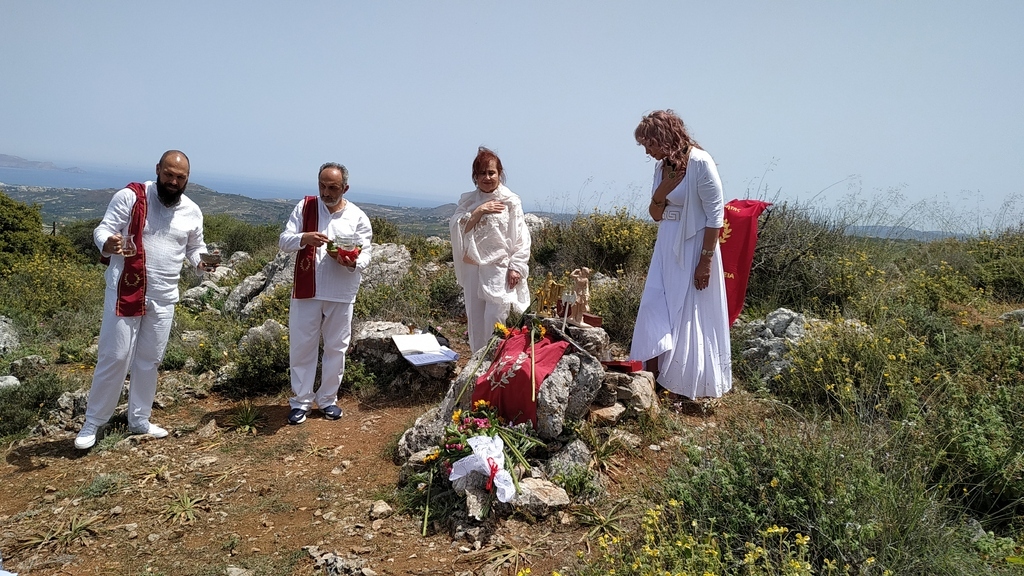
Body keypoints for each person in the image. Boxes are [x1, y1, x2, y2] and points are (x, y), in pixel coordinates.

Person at [76, 150, 216, 450]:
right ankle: (93, 422)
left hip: (164, 295)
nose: (173, 181)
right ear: (158, 170)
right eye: (169, 174)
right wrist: (108, 241)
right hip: (126, 288)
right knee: (114, 356)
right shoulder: (130, 197)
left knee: (149, 361)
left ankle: (139, 419)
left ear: (187, 179)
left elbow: (194, 247)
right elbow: (102, 228)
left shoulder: (192, 211)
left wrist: (202, 263)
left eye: (180, 177)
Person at [629, 110, 733, 399]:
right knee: (655, 302)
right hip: (667, 241)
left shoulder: (700, 162)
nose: (647, 151)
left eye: (649, 144)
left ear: (664, 137)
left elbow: (715, 216)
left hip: (695, 244)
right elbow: (655, 214)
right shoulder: (662, 166)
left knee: (689, 310)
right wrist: (662, 190)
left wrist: (706, 261)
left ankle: (687, 382)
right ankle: (656, 368)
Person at [278, 162, 372, 425]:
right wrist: (304, 238)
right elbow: (284, 241)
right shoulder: (305, 207)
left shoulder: (357, 217)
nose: (326, 192)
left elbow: (367, 253)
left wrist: (351, 261)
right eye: (322, 185)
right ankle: (301, 401)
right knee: (302, 346)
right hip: (307, 290)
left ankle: (328, 399)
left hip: (341, 291)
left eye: (333, 187)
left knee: (336, 348)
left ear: (345, 188)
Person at [450, 147, 531, 352]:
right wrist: (479, 211)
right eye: (482, 173)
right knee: (476, 319)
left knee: (496, 316)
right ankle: (477, 362)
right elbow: (459, 227)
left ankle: (494, 361)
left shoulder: (510, 201)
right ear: (475, 176)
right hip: (473, 268)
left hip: (499, 268)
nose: (487, 177)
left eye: (491, 172)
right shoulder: (469, 201)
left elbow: (521, 237)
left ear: (499, 173)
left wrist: (517, 266)